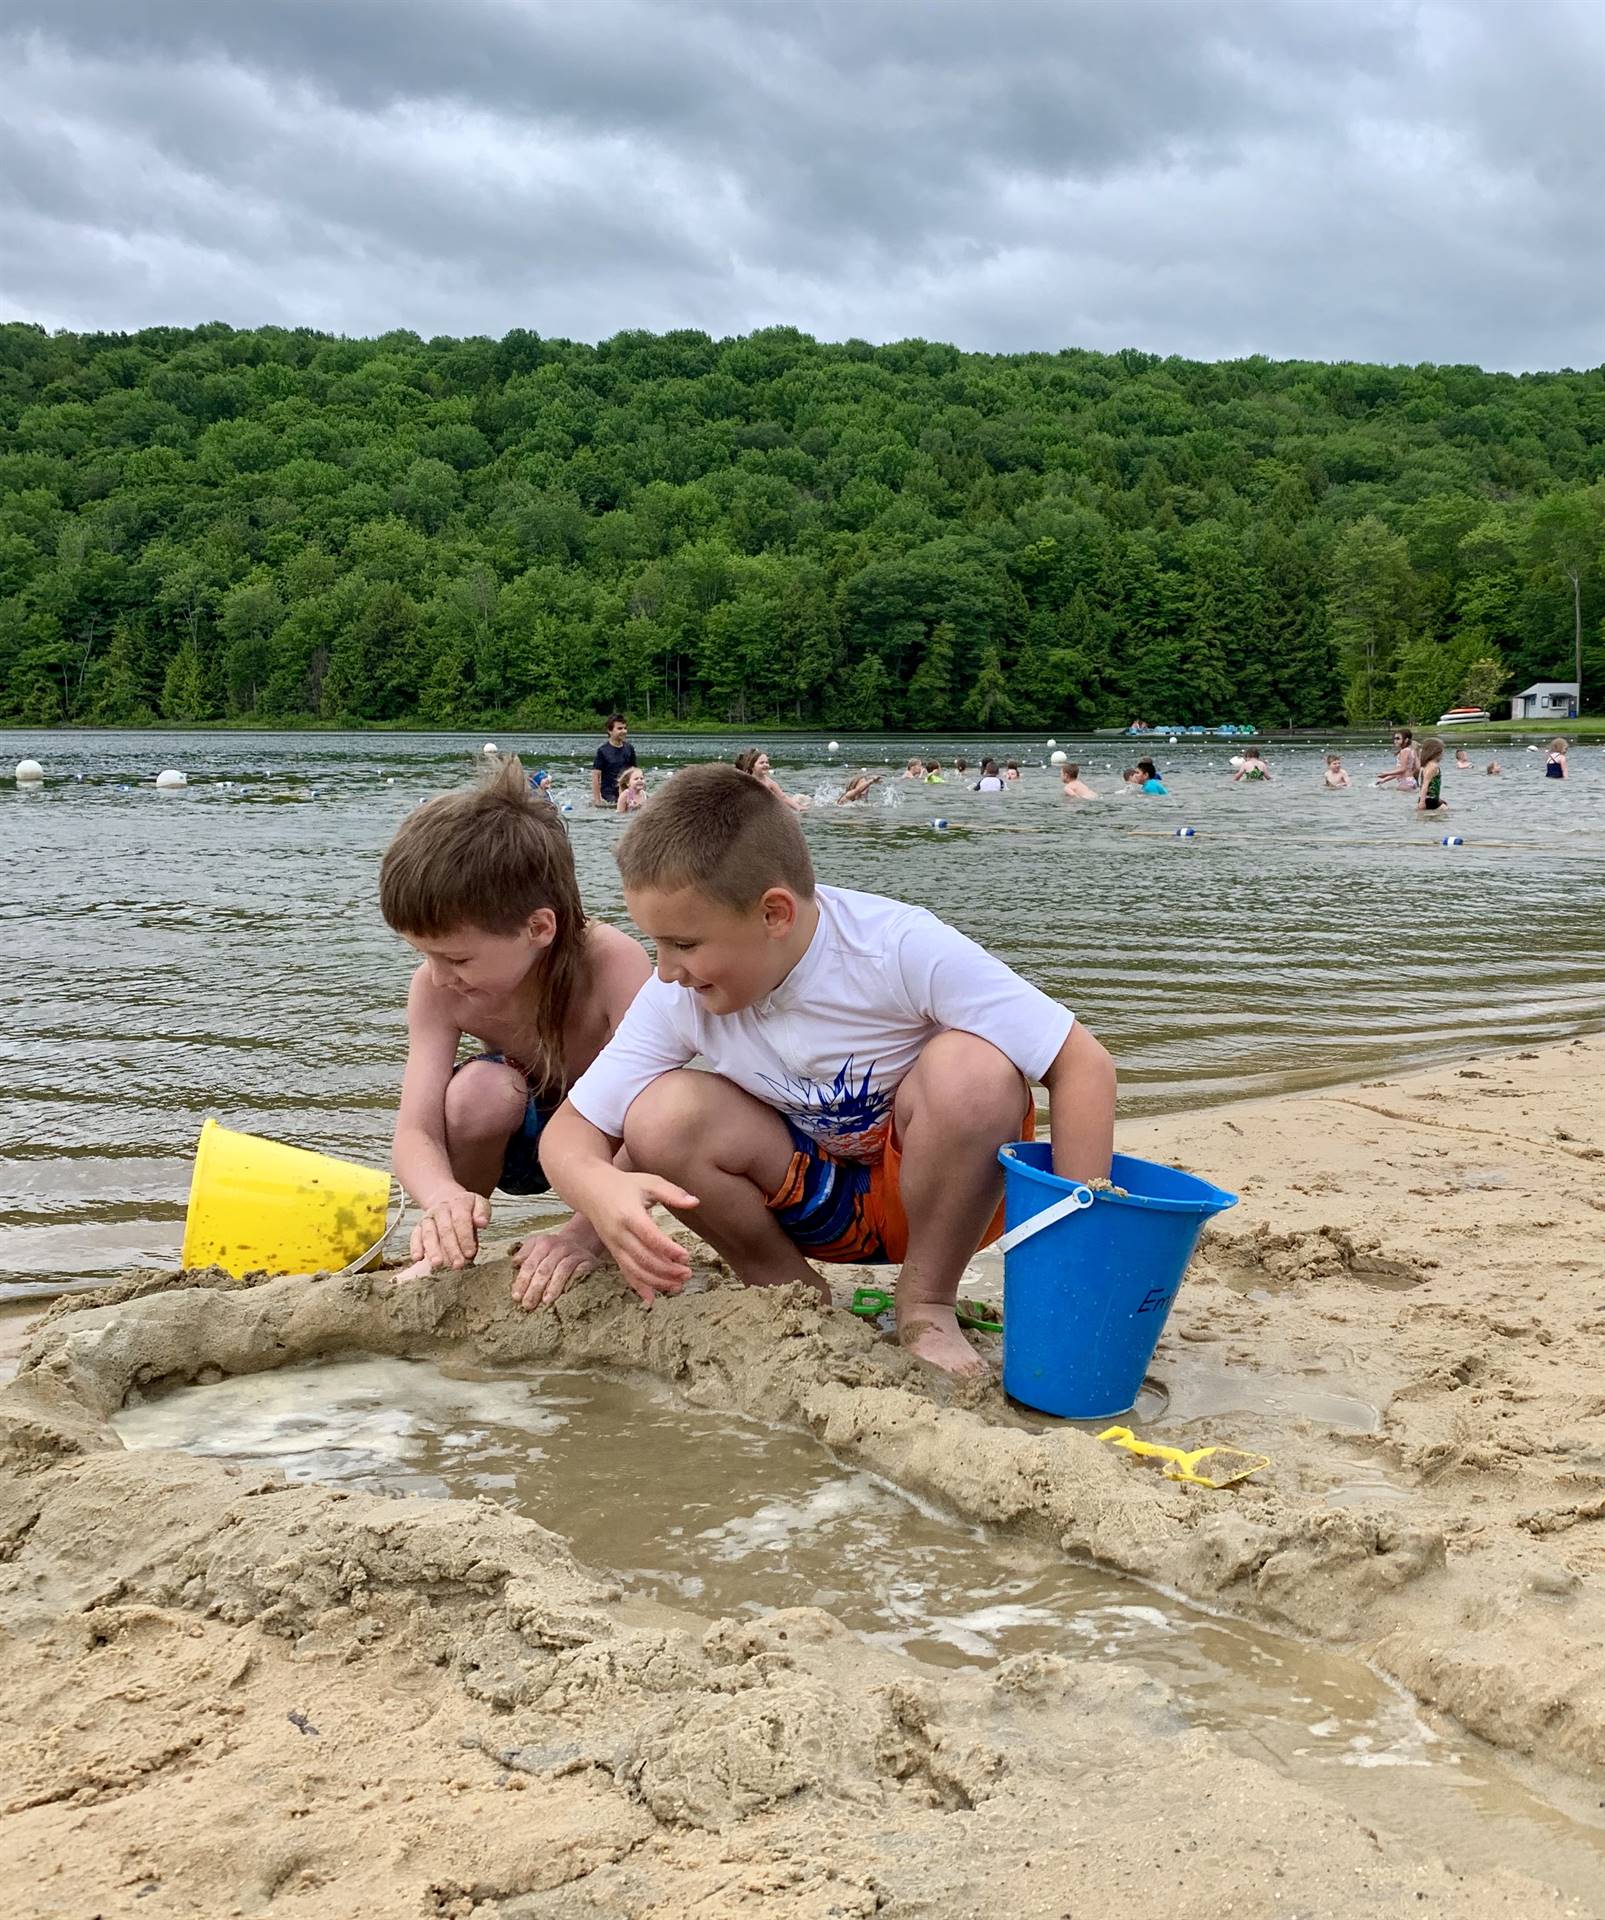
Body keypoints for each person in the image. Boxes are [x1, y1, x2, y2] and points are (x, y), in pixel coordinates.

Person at [533, 764, 1117, 1374]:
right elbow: (571, 1131)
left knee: (975, 1070)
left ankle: (927, 1303)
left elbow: (1082, 1065)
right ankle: (785, 1290)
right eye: (655, 944)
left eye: (683, 943)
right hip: (813, 1204)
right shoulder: (677, 996)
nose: (665, 970)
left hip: (943, 1205)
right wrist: (597, 1198)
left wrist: (1079, 1258)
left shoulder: (896, 947)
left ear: (774, 914)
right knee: (657, 1114)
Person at [380, 754, 651, 1303]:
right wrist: (441, 1199)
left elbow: (655, 1125)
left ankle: (593, 1230)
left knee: (659, 1106)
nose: (437, 975)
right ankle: (456, 1242)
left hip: (606, 1144)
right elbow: (416, 1133)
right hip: (518, 1141)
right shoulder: (435, 987)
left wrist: (580, 1234)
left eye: (455, 958)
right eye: (422, 954)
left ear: (538, 927)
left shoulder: (614, 966)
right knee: (480, 1090)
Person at [734, 748, 809, 812]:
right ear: (752, 766)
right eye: (761, 763)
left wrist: (798, 807)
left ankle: (798, 802)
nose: (765, 765)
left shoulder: (770, 783)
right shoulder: (747, 779)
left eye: (767, 762)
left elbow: (783, 797)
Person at [591, 715, 637, 808]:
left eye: (625, 728)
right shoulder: (602, 751)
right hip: (609, 794)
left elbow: (635, 773)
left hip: (627, 790)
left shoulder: (629, 748)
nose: (624, 731)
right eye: (619, 728)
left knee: (633, 806)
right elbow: (596, 776)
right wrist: (597, 800)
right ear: (610, 730)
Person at [1415, 735, 1447, 814]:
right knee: (1444, 815)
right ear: (1436, 753)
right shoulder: (1433, 766)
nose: (1443, 755)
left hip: (1428, 798)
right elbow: (1425, 784)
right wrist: (1422, 802)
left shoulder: (1425, 765)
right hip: (1430, 800)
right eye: (1442, 752)